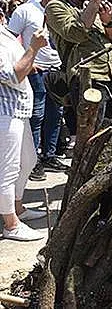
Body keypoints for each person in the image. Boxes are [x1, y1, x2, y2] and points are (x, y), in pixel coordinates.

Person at [7, 0, 68, 180]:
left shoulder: (62, 9)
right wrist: (27, 61)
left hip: (56, 68)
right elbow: (10, 38)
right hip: (37, 70)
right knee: (36, 116)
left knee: (56, 114)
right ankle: (33, 161)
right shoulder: (25, 11)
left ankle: (49, 155)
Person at [45, 0, 112, 120]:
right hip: (87, 79)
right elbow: (75, 34)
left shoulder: (90, 5)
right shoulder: (55, 6)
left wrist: (108, 22)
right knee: (92, 133)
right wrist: (94, 3)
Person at [0, 22, 48, 241]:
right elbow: (12, 76)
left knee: (28, 160)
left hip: (18, 108)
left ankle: (18, 207)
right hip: (4, 111)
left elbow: (18, 66)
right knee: (7, 170)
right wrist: (34, 47)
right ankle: (11, 224)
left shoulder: (3, 32)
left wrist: (30, 61)